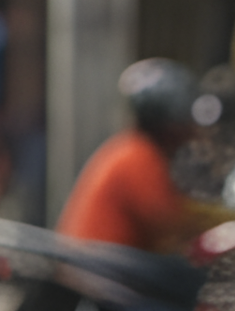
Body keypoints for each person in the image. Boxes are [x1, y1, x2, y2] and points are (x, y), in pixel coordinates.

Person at [57, 60, 220, 272]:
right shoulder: (138, 156)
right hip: (103, 281)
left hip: (108, 274)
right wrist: (224, 219)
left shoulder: (129, 149)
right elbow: (169, 222)